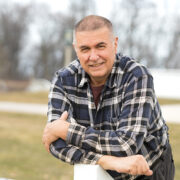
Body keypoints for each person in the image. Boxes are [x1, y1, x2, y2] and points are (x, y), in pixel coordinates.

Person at [42, 15, 175, 180]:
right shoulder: (63, 80)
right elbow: (55, 144)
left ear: (115, 44)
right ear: (76, 49)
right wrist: (106, 161)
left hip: (149, 168)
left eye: (100, 46)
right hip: (99, 170)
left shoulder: (136, 76)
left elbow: (127, 145)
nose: (94, 56)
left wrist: (66, 130)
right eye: (85, 49)